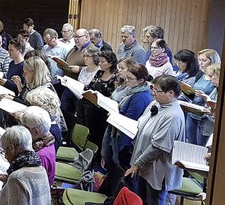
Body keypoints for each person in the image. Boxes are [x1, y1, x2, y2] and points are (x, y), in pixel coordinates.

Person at [125, 75, 184, 205]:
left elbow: (158, 147)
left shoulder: (173, 116)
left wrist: (137, 163)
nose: (153, 93)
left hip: (158, 170)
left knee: (154, 201)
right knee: (141, 200)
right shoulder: (155, 104)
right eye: (153, 89)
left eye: (157, 91)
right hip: (145, 165)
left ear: (170, 93)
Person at [99, 61, 152, 196]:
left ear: (141, 80)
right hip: (119, 135)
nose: (126, 80)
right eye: (126, 77)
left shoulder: (140, 97)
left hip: (125, 141)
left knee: (124, 174)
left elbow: (129, 121)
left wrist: (114, 113)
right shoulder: (133, 91)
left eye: (130, 79)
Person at [0, 125, 52, 205]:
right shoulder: (40, 168)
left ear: (11, 148)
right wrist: (8, 179)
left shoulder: (16, 178)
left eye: (5, 150)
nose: (5, 155)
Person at [78, 50, 119, 152]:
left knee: (98, 134)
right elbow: (90, 86)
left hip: (103, 110)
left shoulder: (116, 77)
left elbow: (114, 95)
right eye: (99, 61)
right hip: (91, 106)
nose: (99, 63)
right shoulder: (99, 72)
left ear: (110, 63)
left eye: (102, 62)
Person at [18, 106, 57, 185]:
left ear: (36, 131)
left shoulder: (40, 157)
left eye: (24, 127)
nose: (20, 130)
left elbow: (32, 185)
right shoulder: (47, 138)